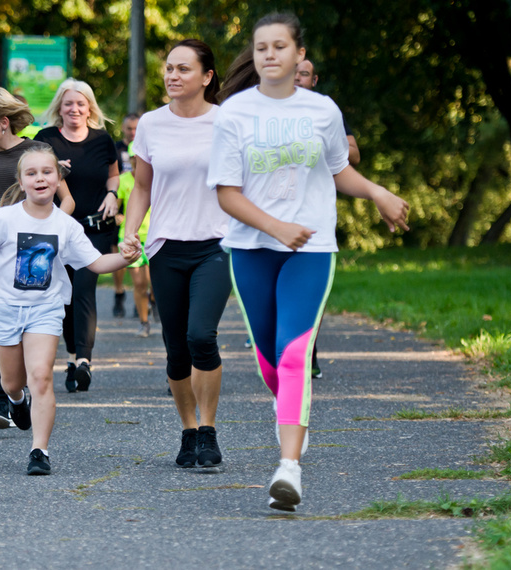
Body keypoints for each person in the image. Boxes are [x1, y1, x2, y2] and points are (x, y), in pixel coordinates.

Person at [208, 12, 409, 511]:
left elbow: (339, 170)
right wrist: (275, 227)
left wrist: (377, 192)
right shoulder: (234, 113)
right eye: (261, 47)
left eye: (279, 46)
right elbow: (227, 193)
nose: (269, 55)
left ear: (300, 54)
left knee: (294, 354)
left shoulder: (322, 110)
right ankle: (291, 411)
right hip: (252, 249)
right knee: (269, 359)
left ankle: (289, 466)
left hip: (311, 249)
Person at [0, 147, 139, 474]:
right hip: (4, 307)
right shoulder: (4, 218)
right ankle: (17, 402)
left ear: (58, 179)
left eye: (47, 172)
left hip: (45, 309)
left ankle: (39, 451)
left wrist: (125, 258)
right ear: (21, 181)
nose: (40, 178)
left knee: (41, 377)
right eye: (31, 173)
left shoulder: (66, 225)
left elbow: (95, 262)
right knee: (11, 382)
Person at [122, 40, 231, 470]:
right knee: (176, 349)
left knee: (201, 335)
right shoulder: (151, 123)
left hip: (216, 244)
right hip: (166, 246)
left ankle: (209, 429)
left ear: (206, 77)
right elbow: (142, 186)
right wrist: (131, 232)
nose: (172, 75)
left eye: (183, 69)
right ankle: (188, 431)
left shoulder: (227, 123)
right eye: (169, 68)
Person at [0, 86, 75, 427]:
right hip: (0, 244)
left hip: (33, 247)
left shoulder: (35, 152)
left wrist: (53, 232)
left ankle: (30, 386)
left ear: (3, 123)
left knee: (35, 319)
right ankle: (3, 401)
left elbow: (67, 200)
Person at [35, 79, 120, 393]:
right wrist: (51, 169)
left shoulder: (102, 140)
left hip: (95, 228)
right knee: (65, 293)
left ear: (90, 108)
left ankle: (84, 360)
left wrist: (112, 195)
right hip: (57, 229)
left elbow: (113, 174)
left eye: (80, 103)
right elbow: (30, 174)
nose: (74, 109)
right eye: (68, 103)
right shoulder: (45, 139)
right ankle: (71, 357)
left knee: (84, 287)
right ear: (59, 107)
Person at [295, 57, 361, 379]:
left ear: (315, 80)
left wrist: (318, 147)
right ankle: (285, 348)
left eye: (304, 74)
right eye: (295, 73)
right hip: (271, 220)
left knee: (310, 295)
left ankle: (308, 349)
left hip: (315, 217)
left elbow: (353, 154)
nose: (298, 78)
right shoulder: (262, 110)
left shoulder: (325, 112)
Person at [115, 150, 153, 338]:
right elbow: (116, 206)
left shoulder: (156, 177)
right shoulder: (123, 180)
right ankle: (144, 322)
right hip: (131, 236)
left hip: (154, 236)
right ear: (131, 159)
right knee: (139, 283)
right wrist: (117, 215)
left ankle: (153, 301)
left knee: (155, 284)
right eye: (134, 159)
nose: (137, 162)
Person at [112, 113, 140, 318]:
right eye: (129, 128)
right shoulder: (116, 149)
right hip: (120, 204)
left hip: (140, 205)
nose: (133, 132)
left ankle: (144, 297)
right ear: (123, 128)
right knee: (118, 252)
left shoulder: (144, 147)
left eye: (136, 128)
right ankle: (119, 292)